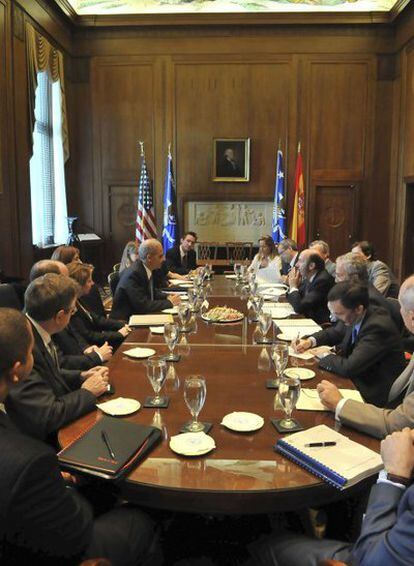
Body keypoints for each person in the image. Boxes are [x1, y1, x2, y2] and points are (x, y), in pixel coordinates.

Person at [0, 308, 161, 565]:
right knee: (143, 515)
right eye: (32, 352)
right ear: (17, 370)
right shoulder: (30, 461)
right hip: (56, 548)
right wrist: (65, 484)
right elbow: (75, 530)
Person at [249, 427, 414, 565]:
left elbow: (373, 560)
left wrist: (394, 477)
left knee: (265, 545)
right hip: (391, 535)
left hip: (372, 554)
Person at [5, 274, 109, 442]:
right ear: (60, 316)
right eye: (73, 310)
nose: (73, 315)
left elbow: (50, 374)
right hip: (43, 443)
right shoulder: (23, 347)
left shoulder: (37, 326)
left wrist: (81, 376)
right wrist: (87, 392)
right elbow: (47, 415)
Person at [317, 274, 414, 438]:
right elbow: (337, 332)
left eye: (401, 308)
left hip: (380, 399)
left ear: (412, 317)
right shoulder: (357, 315)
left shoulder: (377, 324)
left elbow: (398, 423)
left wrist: (340, 403)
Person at [293, 281, 406, 406]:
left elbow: (349, 367)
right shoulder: (353, 314)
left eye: (338, 314)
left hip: (371, 390)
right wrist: (309, 341)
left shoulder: (377, 327)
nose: (333, 318)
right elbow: (334, 333)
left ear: (359, 309)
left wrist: (324, 355)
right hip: (356, 377)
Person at [111, 239, 181, 320]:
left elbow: (151, 292)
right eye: (160, 256)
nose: (164, 259)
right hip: (125, 322)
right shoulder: (133, 274)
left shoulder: (145, 268)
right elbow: (143, 305)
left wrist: (167, 297)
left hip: (138, 315)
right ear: (149, 258)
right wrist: (170, 302)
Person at [67, 261, 131, 348]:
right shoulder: (70, 307)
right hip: (91, 347)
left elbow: (97, 319)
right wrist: (118, 334)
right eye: (89, 281)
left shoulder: (79, 299)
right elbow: (88, 336)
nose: (93, 283)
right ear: (78, 285)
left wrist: (123, 325)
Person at [335, 252, 403, 331]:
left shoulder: (369, 300)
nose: (336, 280)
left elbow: (370, 337)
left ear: (353, 278)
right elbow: (340, 330)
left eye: (339, 275)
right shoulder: (359, 293)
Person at [286, 249, 334, 324]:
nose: (296, 265)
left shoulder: (322, 281)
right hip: (308, 321)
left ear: (311, 266)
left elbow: (299, 307)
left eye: (300, 261)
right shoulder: (309, 278)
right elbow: (293, 300)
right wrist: (295, 287)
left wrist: (293, 287)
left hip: (319, 325)